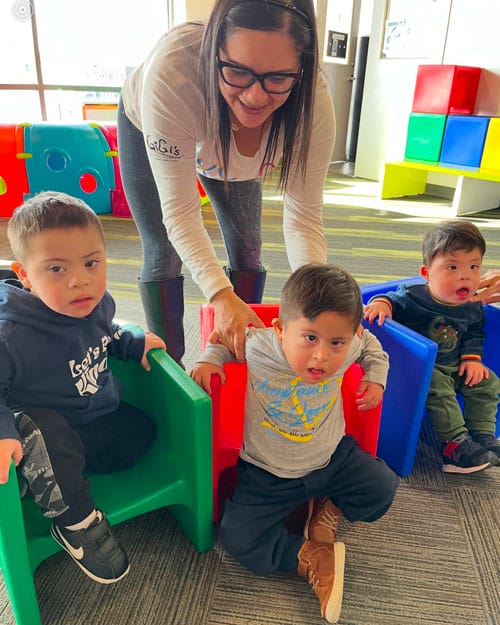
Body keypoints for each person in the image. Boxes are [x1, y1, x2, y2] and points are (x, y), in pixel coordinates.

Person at [117, 0, 335, 364]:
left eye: (278, 78)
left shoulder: (313, 100)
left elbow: (304, 216)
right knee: (163, 252)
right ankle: (170, 367)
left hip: (228, 148)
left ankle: (240, 349)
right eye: (237, 71)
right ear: (214, 50)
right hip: (156, 122)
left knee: (249, 247)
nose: (255, 96)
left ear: (301, 70)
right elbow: (181, 214)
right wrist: (220, 294)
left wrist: (316, 297)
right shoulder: (174, 72)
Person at [191, 263, 398, 624]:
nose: (323, 356)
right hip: (266, 471)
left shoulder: (349, 346)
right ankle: (309, 555)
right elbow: (222, 341)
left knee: (382, 488)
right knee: (237, 539)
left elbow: (373, 347)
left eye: (336, 342)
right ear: (280, 329)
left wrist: (376, 378)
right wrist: (209, 360)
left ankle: (325, 510)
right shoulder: (258, 346)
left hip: (332, 458)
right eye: (310, 338)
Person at [0, 191, 166, 584]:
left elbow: (105, 333)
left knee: (143, 435)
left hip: (93, 415)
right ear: (25, 275)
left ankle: (58, 478)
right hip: (42, 433)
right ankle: (73, 522)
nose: (80, 280)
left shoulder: (96, 301)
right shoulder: (11, 334)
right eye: (56, 269)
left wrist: (130, 341)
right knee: (47, 429)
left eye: (92, 263)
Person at [364, 220, 500, 474]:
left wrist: (473, 360)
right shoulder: (414, 295)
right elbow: (390, 299)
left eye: (474, 267)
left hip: (454, 367)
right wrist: (382, 304)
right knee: (437, 385)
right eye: (452, 267)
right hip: (418, 372)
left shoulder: (472, 304)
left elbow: (474, 332)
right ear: (427, 273)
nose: (465, 276)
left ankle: (482, 435)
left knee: (488, 382)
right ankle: (454, 446)